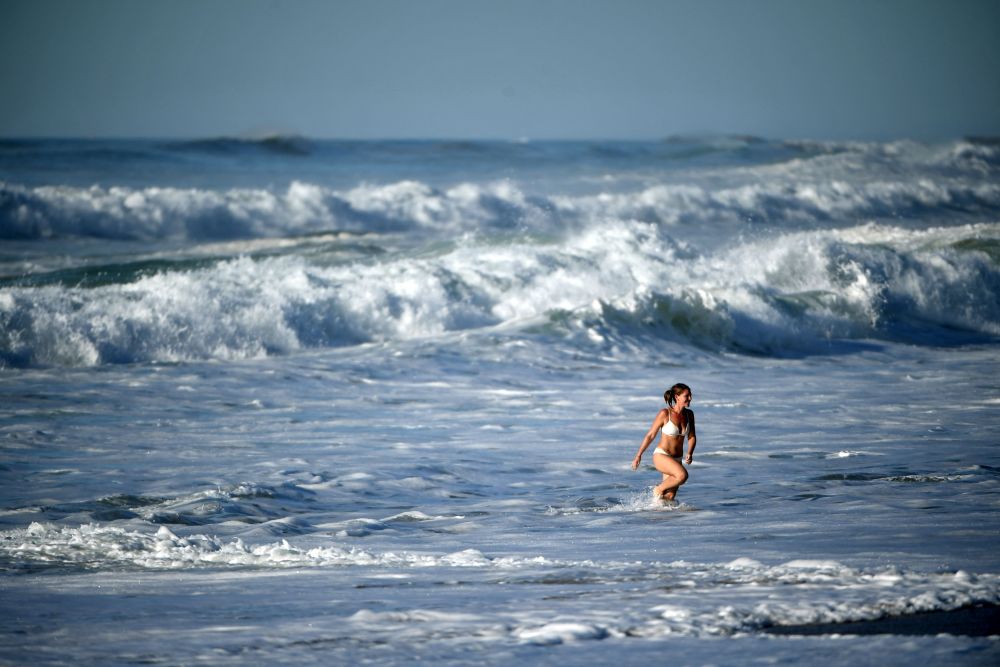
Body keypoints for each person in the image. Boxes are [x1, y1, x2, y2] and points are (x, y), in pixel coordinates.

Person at [631, 383, 697, 501]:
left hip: (677, 458)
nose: (690, 398)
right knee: (682, 475)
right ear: (677, 397)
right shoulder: (665, 413)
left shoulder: (689, 414)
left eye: (690, 395)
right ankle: (657, 489)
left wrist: (690, 452)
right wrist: (638, 455)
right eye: (686, 396)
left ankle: (656, 510)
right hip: (662, 455)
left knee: (669, 497)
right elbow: (650, 435)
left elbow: (691, 436)